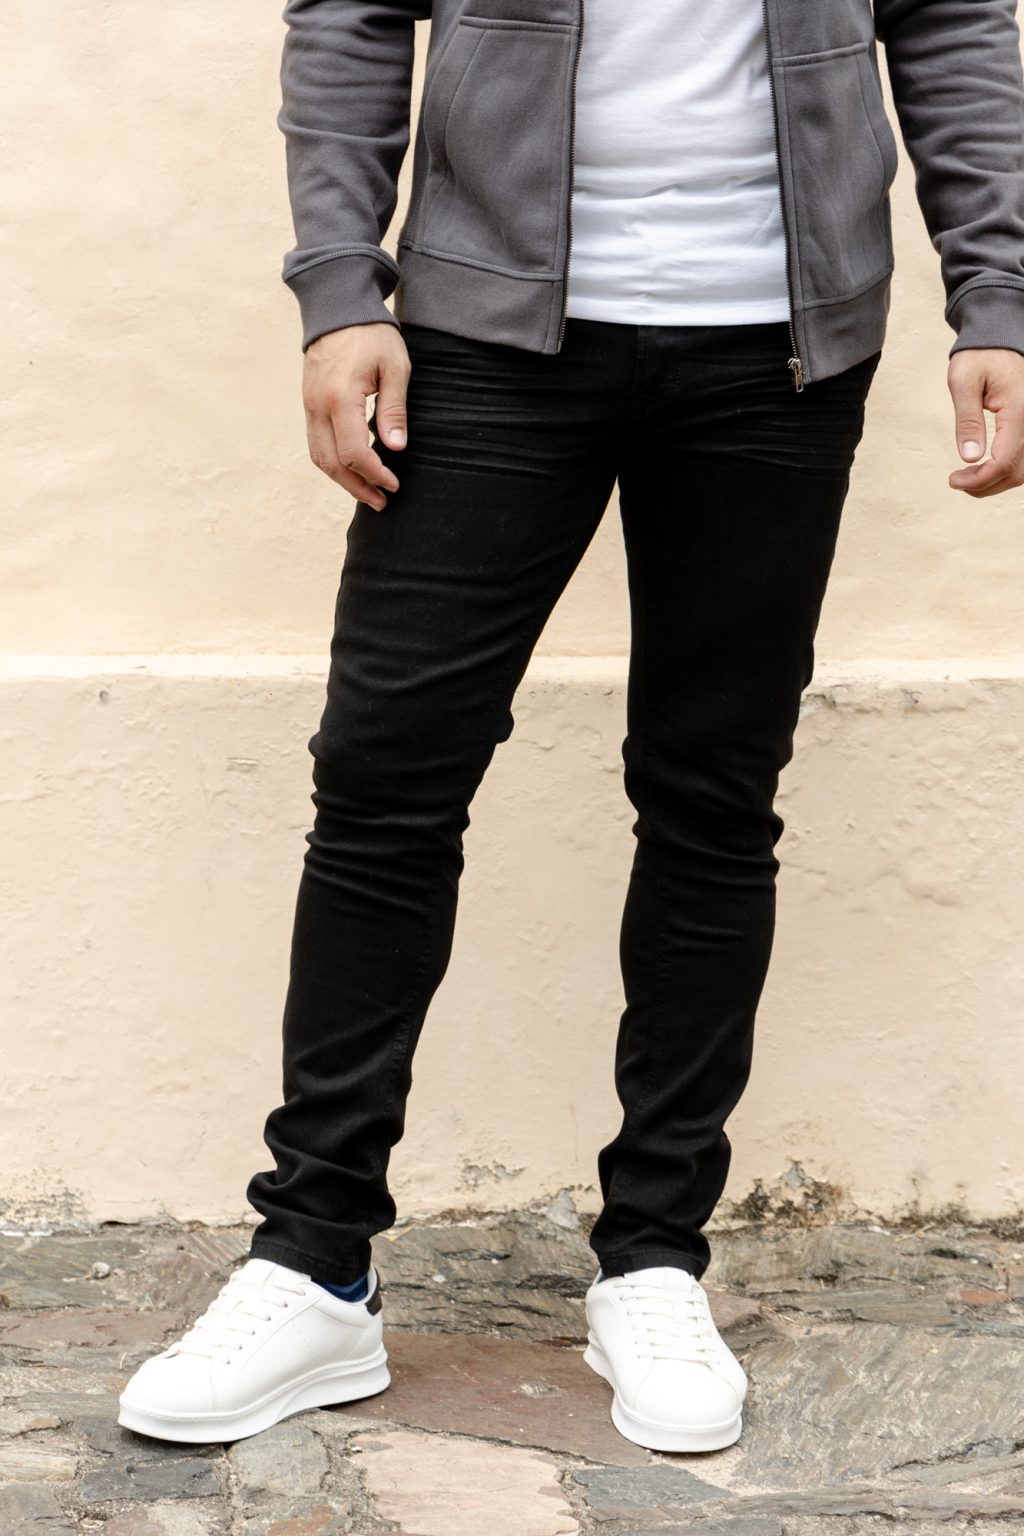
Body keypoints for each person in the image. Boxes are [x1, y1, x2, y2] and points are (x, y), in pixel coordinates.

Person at [118, 0, 1024, 1454]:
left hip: (781, 348)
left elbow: (953, 23)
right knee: (386, 780)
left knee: (712, 794)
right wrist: (342, 289)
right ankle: (314, 1263)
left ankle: (654, 1261)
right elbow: (351, 17)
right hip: (482, 334)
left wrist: (1000, 290)